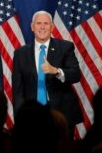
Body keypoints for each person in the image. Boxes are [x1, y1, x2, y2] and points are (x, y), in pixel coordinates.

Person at [12, 10, 83, 139]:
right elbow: (17, 89)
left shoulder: (65, 47)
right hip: (32, 114)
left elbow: (76, 74)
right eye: (39, 23)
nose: (42, 27)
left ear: (52, 26)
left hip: (62, 114)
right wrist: (19, 116)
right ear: (32, 27)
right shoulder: (20, 53)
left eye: (46, 23)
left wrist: (56, 71)